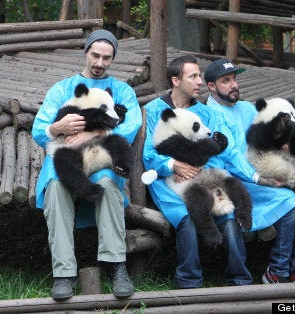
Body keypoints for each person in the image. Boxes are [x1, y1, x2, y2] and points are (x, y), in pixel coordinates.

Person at [32, 29, 141, 300]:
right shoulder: (62, 89)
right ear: (86, 52)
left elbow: (131, 124)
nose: (100, 62)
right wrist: (57, 127)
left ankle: (117, 266)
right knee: (56, 188)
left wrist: (96, 132)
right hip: (65, 161)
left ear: (113, 58)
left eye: (107, 57)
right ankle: (64, 274)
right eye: (95, 55)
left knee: (106, 183)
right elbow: (39, 129)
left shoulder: (122, 90)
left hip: (101, 159)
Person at [142, 55, 254, 288]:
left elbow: (222, 151)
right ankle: (188, 281)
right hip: (168, 181)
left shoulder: (208, 113)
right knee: (186, 218)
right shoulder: (155, 110)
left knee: (230, 219)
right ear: (176, 80)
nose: (199, 81)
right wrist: (173, 165)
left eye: (199, 76)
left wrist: (205, 168)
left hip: (205, 174)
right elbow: (149, 154)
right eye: (193, 76)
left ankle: (240, 280)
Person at [204, 58, 295, 283]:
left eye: (234, 79)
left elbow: (265, 137)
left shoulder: (246, 108)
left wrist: (284, 144)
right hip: (236, 180)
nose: (234, 84)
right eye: (226, 80)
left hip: (261, 171)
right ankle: (277, 271)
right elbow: (231, 156)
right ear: (211, 87)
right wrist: (261, 178)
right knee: (289, 202)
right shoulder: (211, 115)